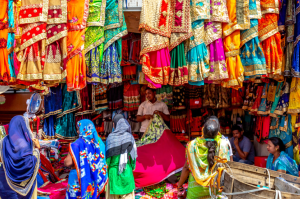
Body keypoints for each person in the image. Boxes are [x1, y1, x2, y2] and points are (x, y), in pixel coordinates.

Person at [177, 116, 230, 199]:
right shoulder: (223, 145)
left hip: (195, 192)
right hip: (214, 190)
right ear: (218, 133)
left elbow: (186, 168)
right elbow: (226, 168)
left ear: (202, 130)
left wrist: (179, 185)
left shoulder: (192, 145)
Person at [64, 119, 108, 198]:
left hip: (78, 179)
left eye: (78, 129)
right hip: (94, 178)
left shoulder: (78, 143)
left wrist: (64, 160)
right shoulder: (99, 142)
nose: (77, 132)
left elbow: (68, 162)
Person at [0, 115, 40, 199]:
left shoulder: (4, 141)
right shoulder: (26, 142)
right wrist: (37, 149)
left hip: (5, 182)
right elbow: (31, 164)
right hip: (23, 185)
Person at [105, 114, 137, 199]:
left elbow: (107, 160)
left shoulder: (110, 138)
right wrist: (132, 166)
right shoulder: (129, 137)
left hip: (113, 174)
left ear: (114, 124)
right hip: (127, 171)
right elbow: (133, 158)